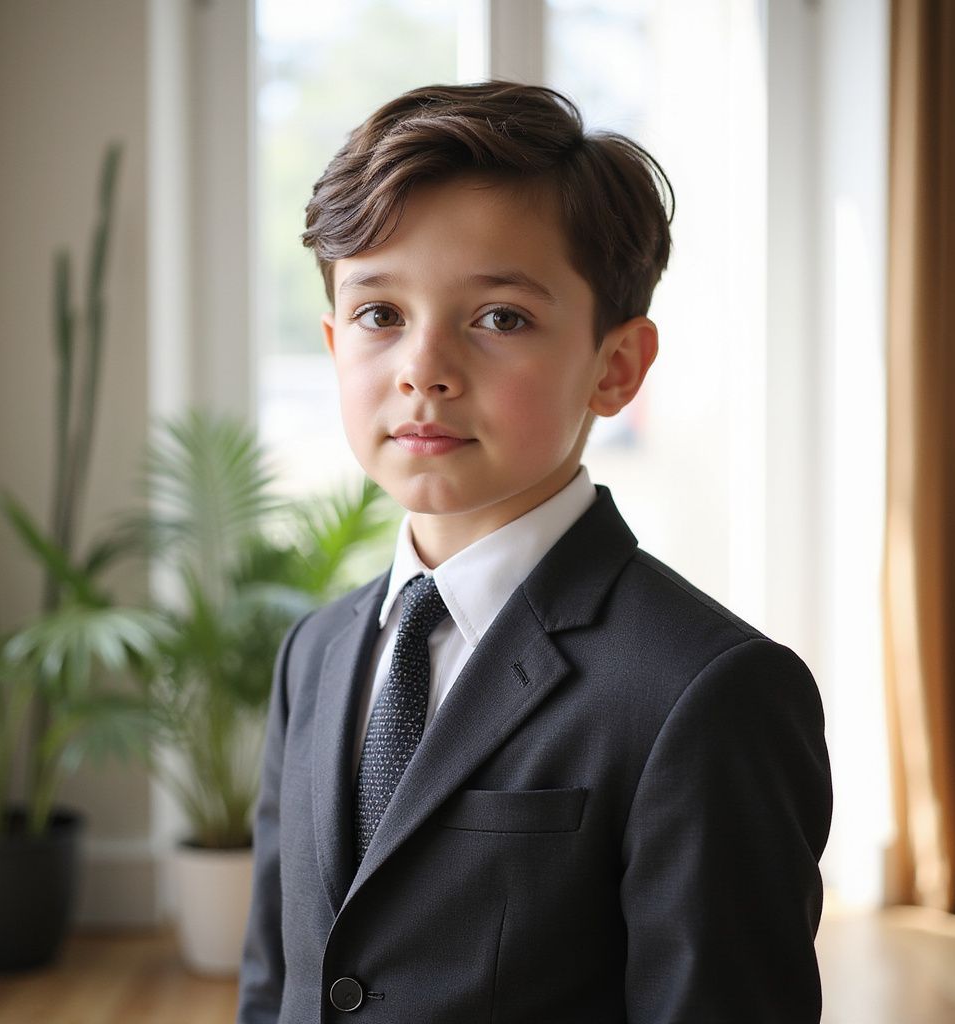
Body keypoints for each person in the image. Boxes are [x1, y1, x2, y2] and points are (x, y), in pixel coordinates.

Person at [237, 81, 832, 1024]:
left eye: (500, 317)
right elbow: (277, 984)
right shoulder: (312, 653)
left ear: (616, 367)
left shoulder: (706, 693)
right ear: (332, 340)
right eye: (379, 314)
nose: (422, 367)